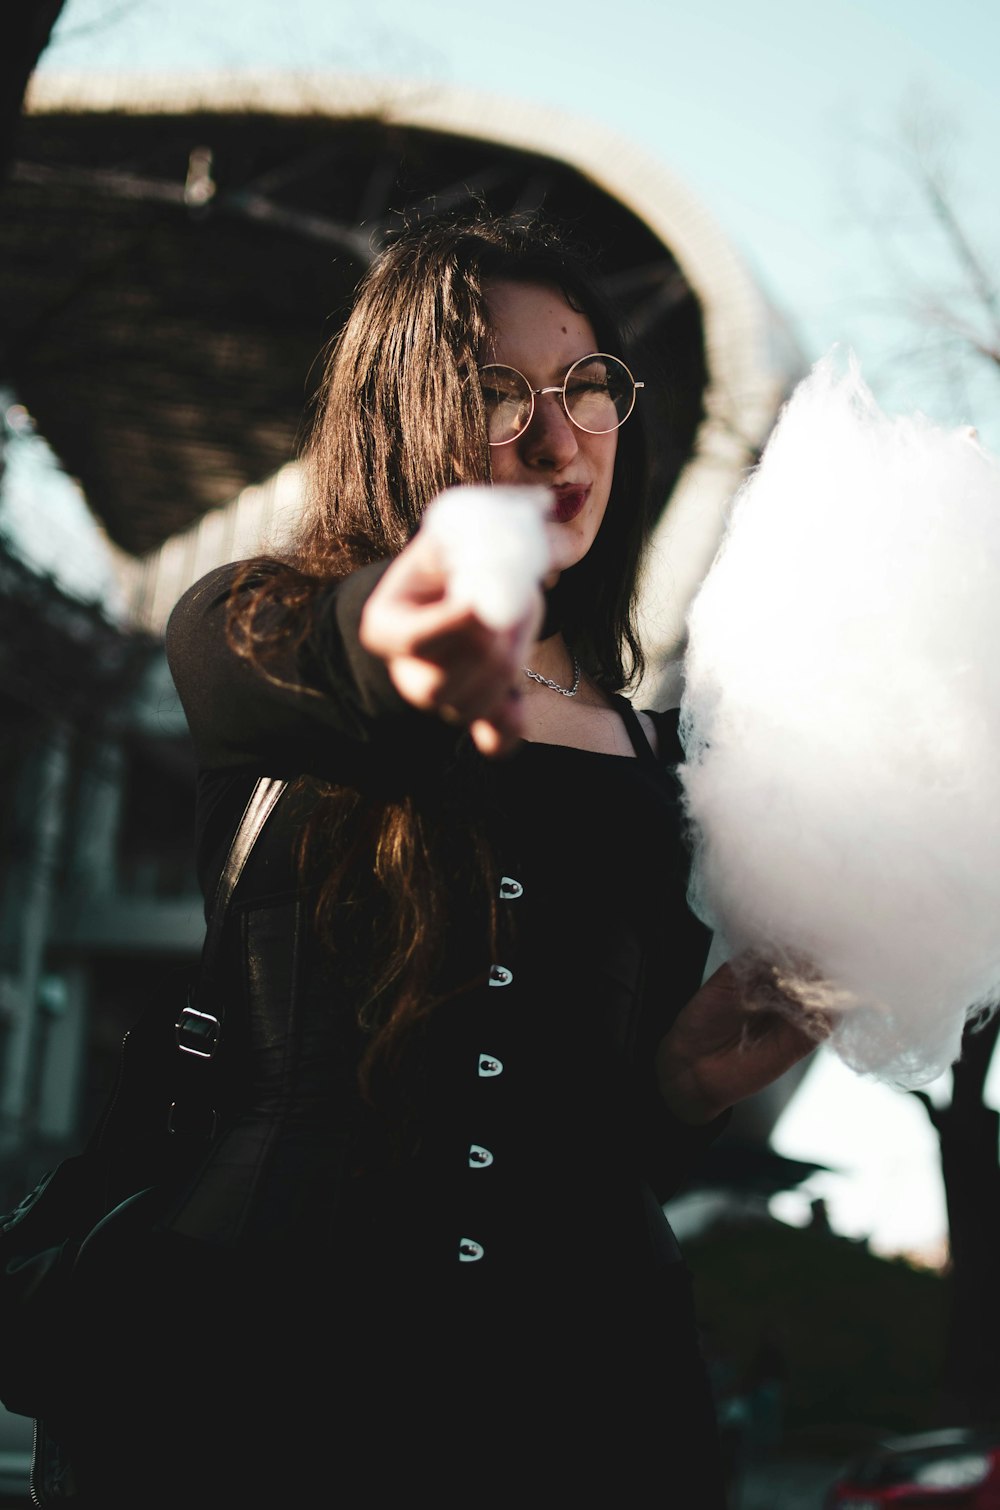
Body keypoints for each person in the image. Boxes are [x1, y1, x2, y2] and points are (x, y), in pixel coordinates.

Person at [66, 211, 819, 1507]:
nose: (555, 430)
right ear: (399, 414)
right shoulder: (258, 625)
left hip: (587, 1403)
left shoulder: (661, 753)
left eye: (587, 385)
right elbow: (298, 651)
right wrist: (402, 629)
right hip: (257, 1380)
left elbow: (617, 1135)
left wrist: (685, 1083)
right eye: (493, 390)